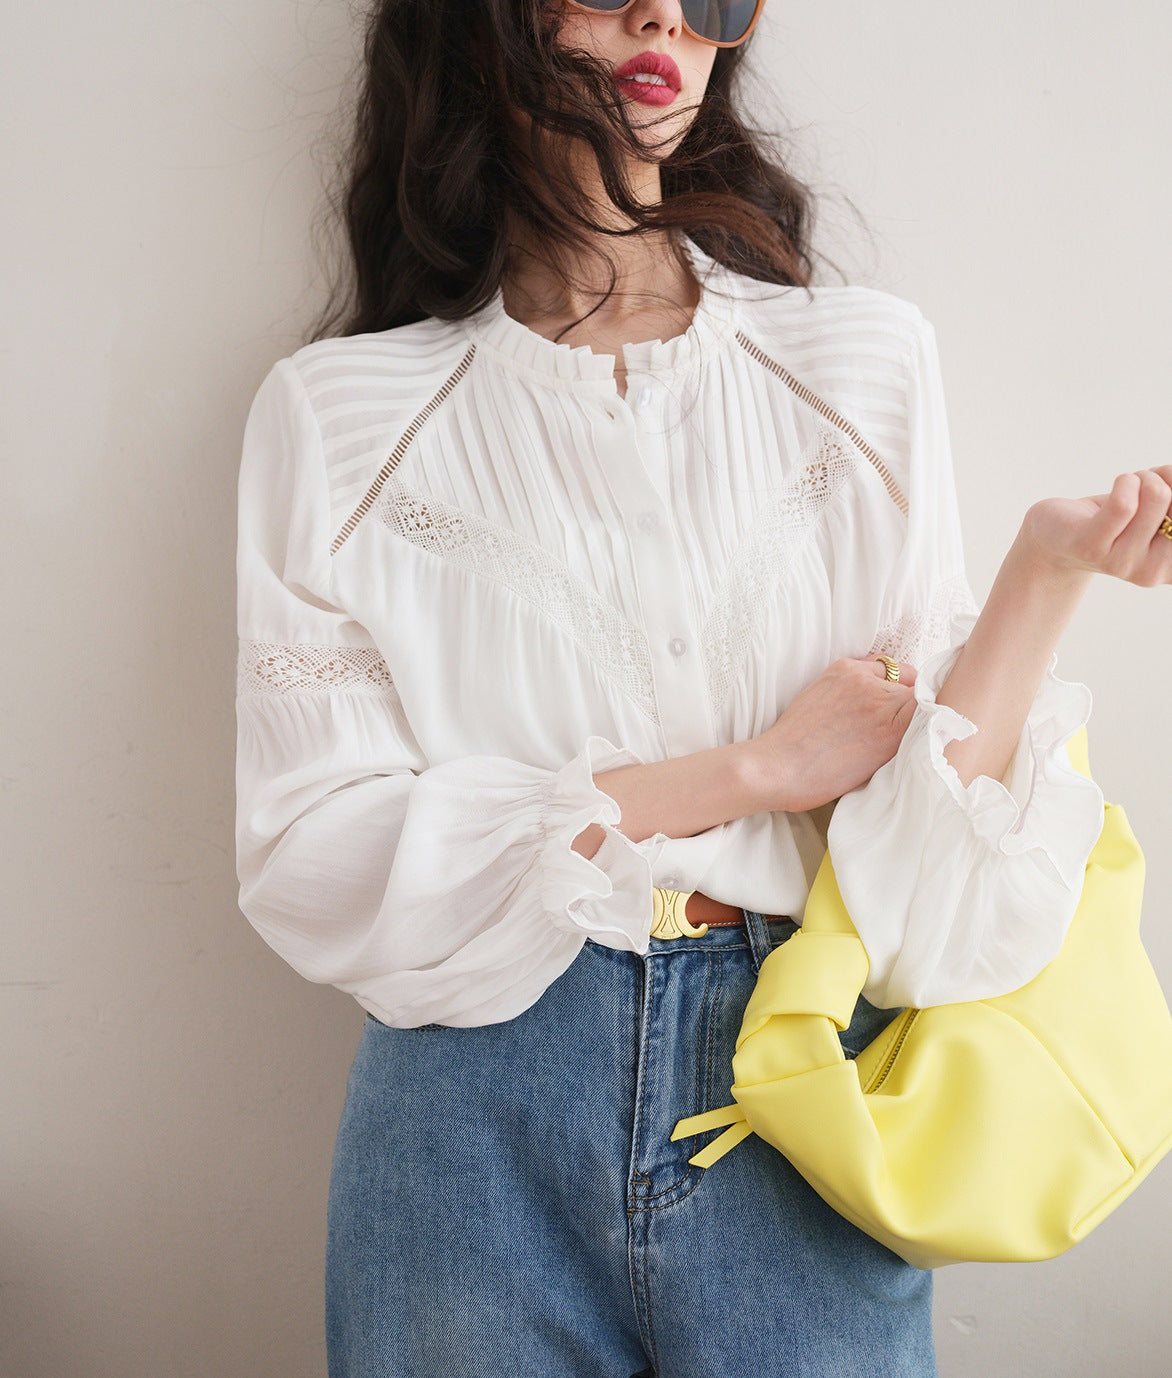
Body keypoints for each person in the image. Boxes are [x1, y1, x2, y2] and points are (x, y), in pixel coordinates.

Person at [233, 1, 1172, 1374]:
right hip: (474, 1109)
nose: (668, 14)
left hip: (793, 1087)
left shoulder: (861, 360)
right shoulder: (339, 416)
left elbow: (913, 900)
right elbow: (309, 847)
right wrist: (746, 773)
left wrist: (1041, 574)